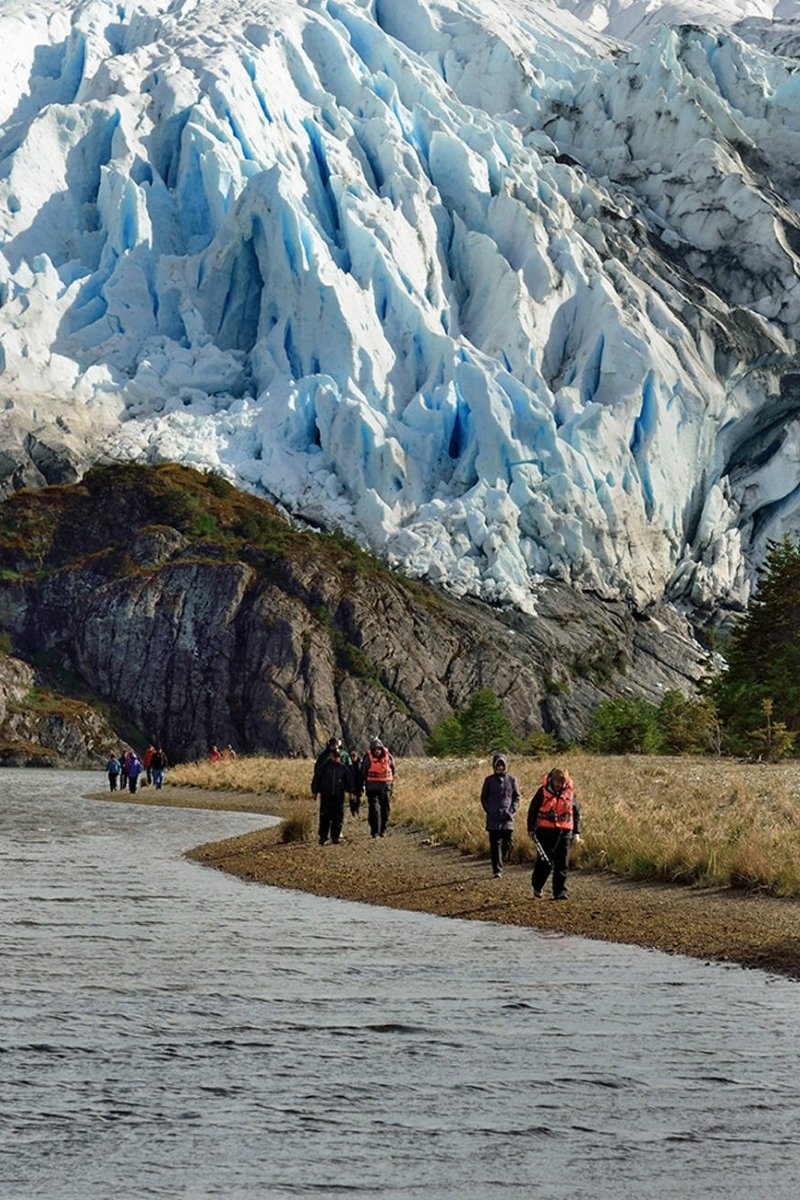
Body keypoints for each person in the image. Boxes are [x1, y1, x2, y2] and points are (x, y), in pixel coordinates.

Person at [527, 767, 581, 900]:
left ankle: (560, 892)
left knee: (562, 862)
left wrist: (577, 833)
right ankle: (537, 886)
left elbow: (576, 813)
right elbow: (533, 810)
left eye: (563, 783)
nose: (561, 786)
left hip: (565, 830)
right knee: (545, 862)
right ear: (553, 780)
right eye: (558, 783)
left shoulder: (570, 793)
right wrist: (530, 828)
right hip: (545, 831)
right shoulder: (542, 792)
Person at [480, 752, 520, 877]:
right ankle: (497, 869)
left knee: (507, 842)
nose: (500, 768)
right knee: (495, 844)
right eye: (498, 765)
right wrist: (490, 810)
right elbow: (483, 798)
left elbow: (517, 797)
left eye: (502, 765)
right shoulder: (489, 780)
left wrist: (512, 810)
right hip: (493, 817)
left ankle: (500, 861)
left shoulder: (512, 779)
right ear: (494, 766)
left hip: (507, 817)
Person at [311, 743, 354, 845]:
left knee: (338, 817)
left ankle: (335, 837)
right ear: (331, 756)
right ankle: (323, 837)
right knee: (325, 816)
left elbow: (349, 780)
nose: (336, 758)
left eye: (337, 757)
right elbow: (317, 778)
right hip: (326, 795)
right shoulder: (324, 767)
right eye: (334, 756)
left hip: (339, 796)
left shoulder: (343, 768)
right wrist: (314, 791)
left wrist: (351, 792)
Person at [361, 737, 395, 838]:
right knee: (374, 809)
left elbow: (393, 769)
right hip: (372, 788)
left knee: (385, 809)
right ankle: (374, 831)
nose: (377, 751)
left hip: (386, 786)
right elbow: (364, 772)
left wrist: (391, 783)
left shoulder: (389, 757)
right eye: (375, 749)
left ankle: (383, 830)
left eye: (378, 749)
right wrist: (363, 784)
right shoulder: (368, 758)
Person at [348, 748, 362, 815]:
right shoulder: (349, 765)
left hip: (358, 783)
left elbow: (362, 773)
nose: (353, 758)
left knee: (358, 797)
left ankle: (357, 808)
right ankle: (352, 809)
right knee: (351, 797)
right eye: (352, 756)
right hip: (351, 782)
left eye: (354, 756)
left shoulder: (360, 764)